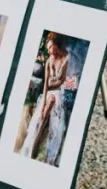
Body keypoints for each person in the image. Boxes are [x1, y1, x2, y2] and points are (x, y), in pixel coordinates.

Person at [19, 33, 70, 165]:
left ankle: (50, 157)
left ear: (57, 46)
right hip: (48, 93)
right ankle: (30, 150)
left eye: (50, 47)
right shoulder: (49, 60)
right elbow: (46, 84)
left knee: (55, 122)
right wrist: (42, 106)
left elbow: (61, 81)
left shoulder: (65, 59)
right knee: (38, 118)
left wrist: (52, 87)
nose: (48, 50)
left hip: (58, 92)